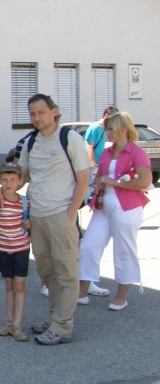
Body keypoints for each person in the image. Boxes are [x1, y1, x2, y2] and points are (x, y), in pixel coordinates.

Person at [17, 94, 89, 346]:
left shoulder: (70, 139)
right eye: (32, 114)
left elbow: (83, 180)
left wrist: (70, 216)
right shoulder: (32, 141)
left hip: (61, 215)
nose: (36, 118)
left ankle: (62, 327)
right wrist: (1, 189)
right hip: (37, 216)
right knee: (47, 272)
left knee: (66, 272)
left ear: (54, 112)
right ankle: (55, 317)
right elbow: (23, 177)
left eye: (41, 112)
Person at [79, 111, 151, 312]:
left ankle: (121, 297)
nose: (107, 132)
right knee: (88, 247)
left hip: (127, 207)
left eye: (111, 129)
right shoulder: (107, 153)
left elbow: (145, 181)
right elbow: (101, 176)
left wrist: (115, 182)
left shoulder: (136, 152)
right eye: (107, 128)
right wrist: (96, 187)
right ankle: (82, 292)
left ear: (124, 129)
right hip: (103, 206)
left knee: (124, 251)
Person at [0, 162, 31, 341]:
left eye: (13, 180)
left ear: (20, 181)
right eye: (5, 180)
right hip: (2, 247)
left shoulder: (25, 202)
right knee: (8, 284)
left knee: (19, 284)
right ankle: (9, 321)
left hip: (21, 248)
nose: (8, 184)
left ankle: (18, 323)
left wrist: (30, 224)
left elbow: (30, 221)